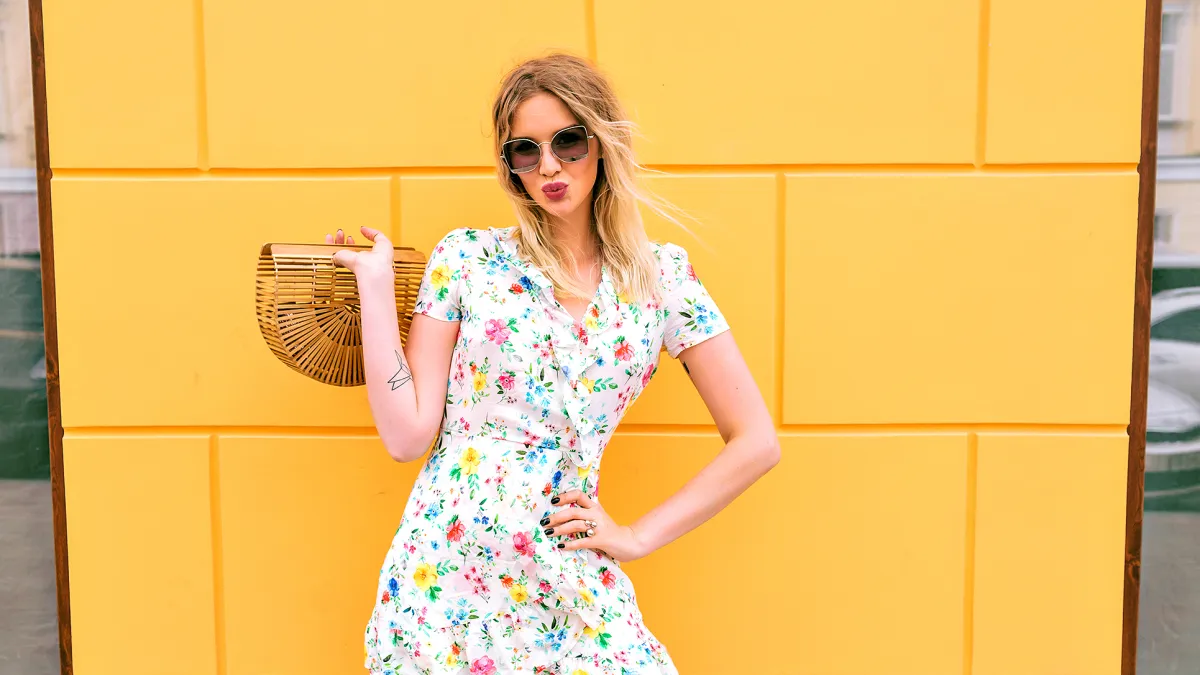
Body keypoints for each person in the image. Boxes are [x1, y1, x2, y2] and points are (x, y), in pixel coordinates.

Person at [329, 52, 779, 675]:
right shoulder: (467, 261)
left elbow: (756, 441)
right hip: (448, 576)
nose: (549, 166)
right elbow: (407, 437)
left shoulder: (662, 279)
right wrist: (375, 292)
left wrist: (638, 536)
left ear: (602, 144)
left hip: (567, 573)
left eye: (568, 141)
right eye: (526, 150)